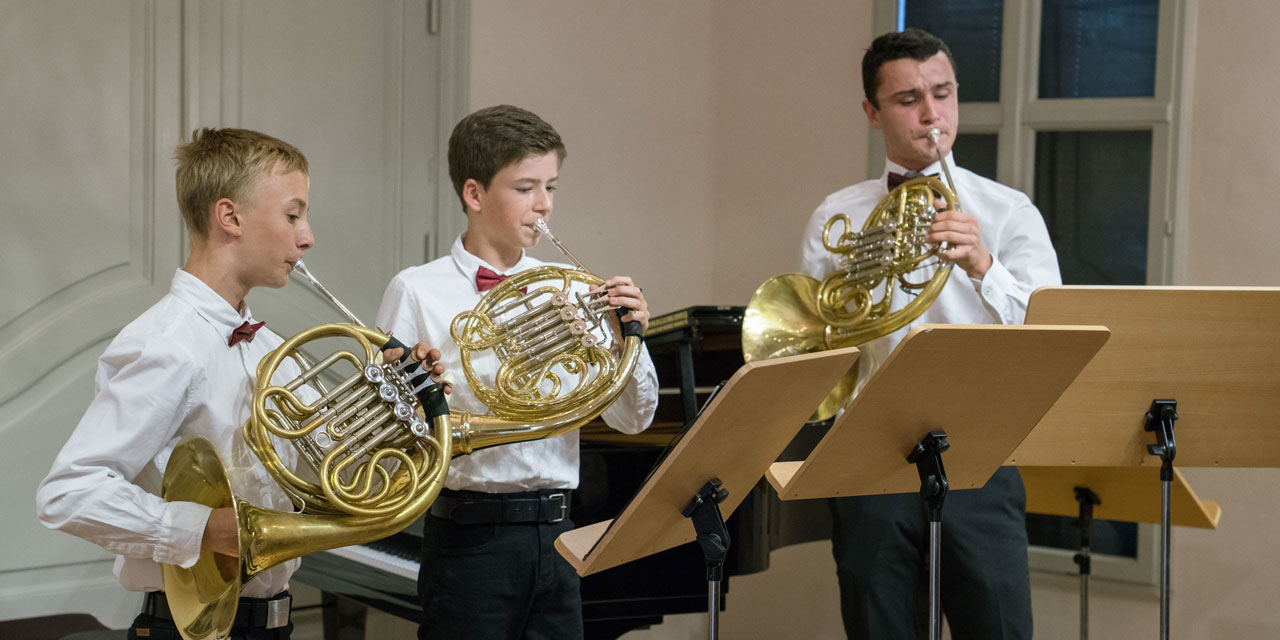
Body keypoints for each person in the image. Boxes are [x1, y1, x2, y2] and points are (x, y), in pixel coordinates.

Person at [34, 128, 443, 640]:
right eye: (292, 215)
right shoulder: (166, 344)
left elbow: (332, 476)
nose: (307, 237)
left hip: (272, 624)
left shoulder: (271, 349)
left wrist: (404, 412)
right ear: (230, 217)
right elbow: (69, 493)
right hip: (188, 628)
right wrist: (205, 530)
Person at [800, 29, 1060, 639]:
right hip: (868, 458)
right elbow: (818, 343)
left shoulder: (1008, 211)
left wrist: (985, 267)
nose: (931, 114)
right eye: (908, 99)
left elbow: (1050, 333)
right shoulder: (836, 215)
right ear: (873, 113)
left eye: (942, 94)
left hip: (981, 457)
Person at [376, 104, 659, 640]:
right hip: (469, 541)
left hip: (559, 533)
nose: (544, 205)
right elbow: (389, 429)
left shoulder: (571, 286)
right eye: (526, 188)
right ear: (475, 194)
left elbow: (634, 419)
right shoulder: (416, 290)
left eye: (550, 187)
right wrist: (417, 396)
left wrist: (630, 340)